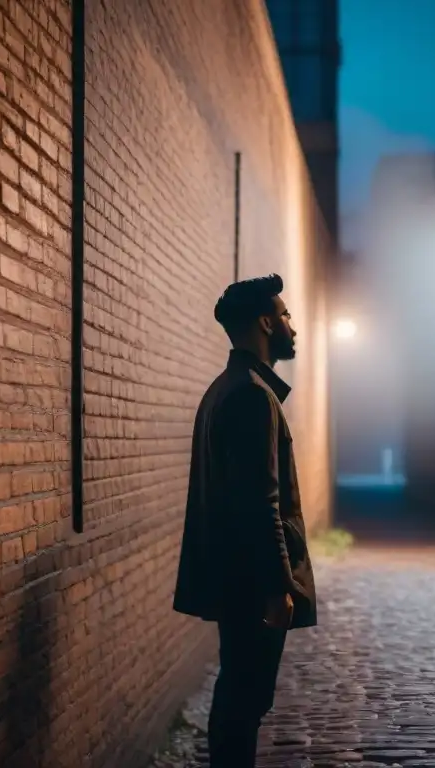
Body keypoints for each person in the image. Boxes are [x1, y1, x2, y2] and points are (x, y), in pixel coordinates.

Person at [172, 274, 317, 767]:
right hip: (251, 581)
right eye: (285, 316)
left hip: (236, 574)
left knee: (240, 695)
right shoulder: (253, 395)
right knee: (244, 701)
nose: (291, 326)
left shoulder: (228, 388)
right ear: (264, 322)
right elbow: (262, 500)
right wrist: (278, 587)